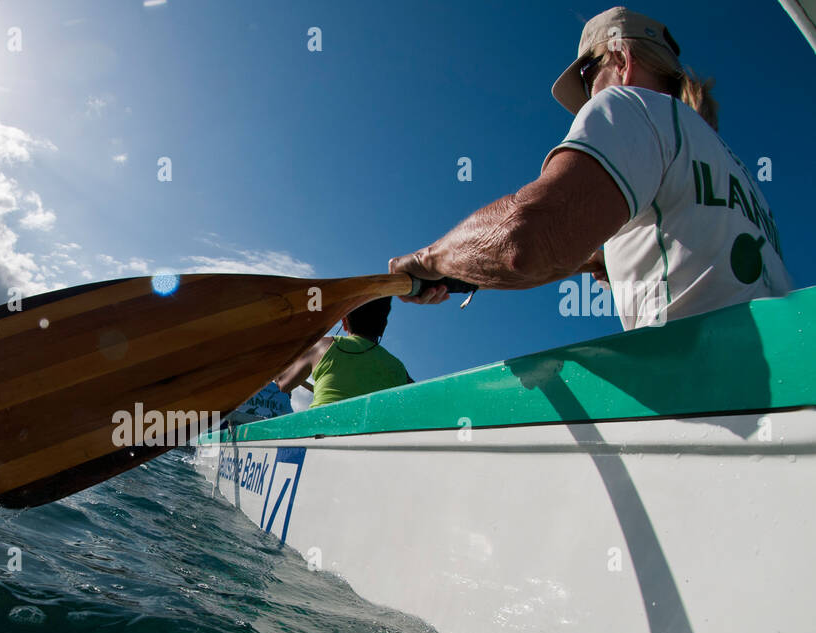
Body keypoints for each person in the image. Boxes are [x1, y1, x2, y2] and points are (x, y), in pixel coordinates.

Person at [388, 6, 793, 330]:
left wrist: (429, 260)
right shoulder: (736, 171)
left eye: (587, 77)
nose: (588, 100)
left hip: (709, 402)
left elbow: (526, 241)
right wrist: (611, 260)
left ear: (620, 59)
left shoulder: (629, 104)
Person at [275, 296, 412, 409]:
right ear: (383, 327)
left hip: (323, 433)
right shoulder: (399, 368)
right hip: (377, 438)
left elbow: (284, 385)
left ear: (344, 323)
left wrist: (277, 372)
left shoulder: (323, 345)